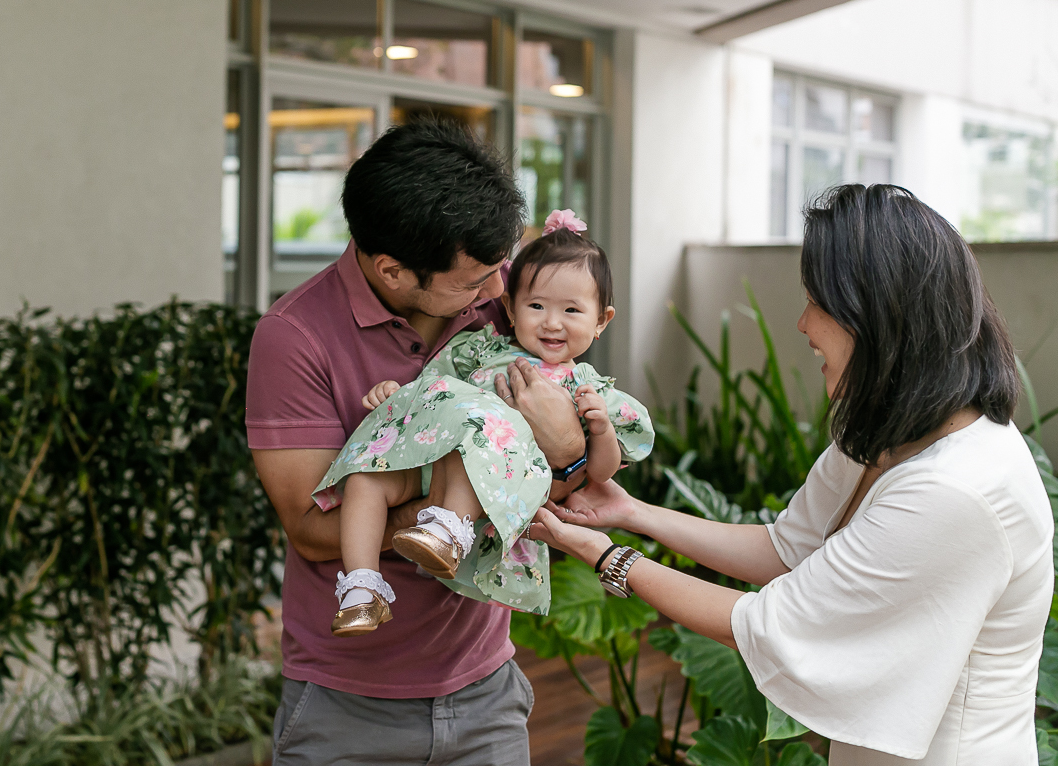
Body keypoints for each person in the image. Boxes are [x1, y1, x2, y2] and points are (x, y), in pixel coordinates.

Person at [529, 184, 1053, 764]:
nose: (802, 324)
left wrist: (606, 556)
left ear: (877, 315)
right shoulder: (892, 430)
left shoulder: (956, 490)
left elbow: (762, 625)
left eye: (817, 302)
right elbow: (784, 548)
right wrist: (633, 513)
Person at [246, 120, 585, 765]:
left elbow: (566, 475)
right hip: (347, 704)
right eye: (474, 281)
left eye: (499, 269)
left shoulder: (508, 305)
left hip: (487, 690)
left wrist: (566, 448)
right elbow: (313, 529)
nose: (497, 291)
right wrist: (446, 516)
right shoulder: (295, 337)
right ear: (392, 271)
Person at [313, 211, 654, 635]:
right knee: (367, 479)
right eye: (536, 306)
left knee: (478, 434)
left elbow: (598, 474)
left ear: (601, 320)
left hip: (483, 481)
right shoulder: (478, 350)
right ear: (510, 308)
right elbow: (432, 389)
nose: (552, 322)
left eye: (571, 309)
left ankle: (448, 532)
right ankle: (363, 590)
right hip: (427, 462)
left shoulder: (589, 390)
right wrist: (394, 394)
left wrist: (599, 431)